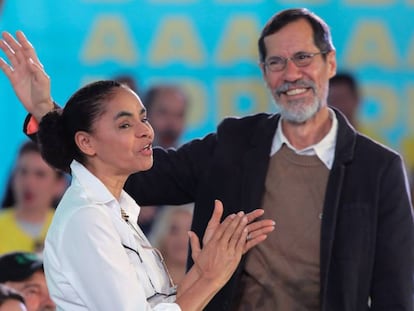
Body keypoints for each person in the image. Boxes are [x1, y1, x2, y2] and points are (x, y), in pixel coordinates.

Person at [0, 7, 413, 310]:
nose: (290, 74)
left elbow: (396, 290)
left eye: (303, 57)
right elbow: (125, 167)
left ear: (330, 63)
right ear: (264, 72)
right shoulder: (235, 142)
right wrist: (47, 115)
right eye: (276, 62)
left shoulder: (378, 169)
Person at [0, 57, 275, 310]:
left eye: (143, 118)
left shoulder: (116, 210)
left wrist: (204, 271)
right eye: (125, 125)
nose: (146, 131)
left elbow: (158, 304)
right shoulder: (88, 218)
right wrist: (211, 278)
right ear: (85, 142)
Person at [0, 141, 67, 255]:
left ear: (60, 185)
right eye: (23, 172)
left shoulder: (68, 228)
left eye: (40, 174)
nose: (29, 182)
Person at [139, 84, 190, 234]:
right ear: (143, 116)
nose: (171, 124)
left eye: (179, 115)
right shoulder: (122, 165)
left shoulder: (191, 166)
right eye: (163, 113)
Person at [149, 204, 194, 284]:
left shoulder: (209, 282)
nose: (181, 238)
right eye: (174, 230)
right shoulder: (147, 277)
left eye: (189, 231)